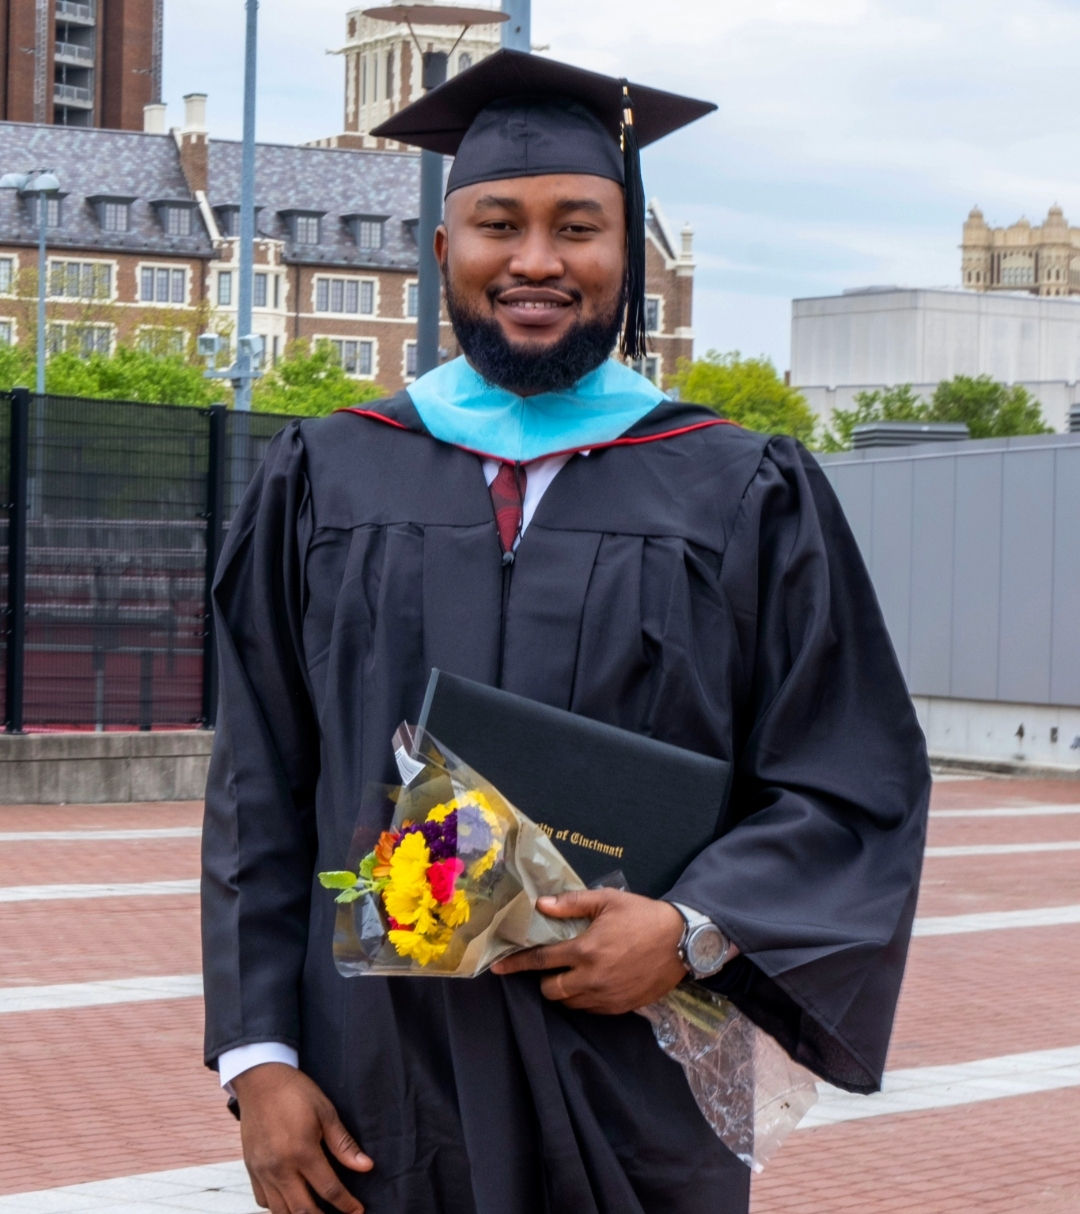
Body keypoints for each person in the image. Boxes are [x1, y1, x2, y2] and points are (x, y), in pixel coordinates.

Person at [202, 50, 929, 1214]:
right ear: (443, 250)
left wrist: (696, 930)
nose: (535, 261)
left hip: (631, 1073)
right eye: (498, 222)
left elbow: (849, 777)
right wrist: (259, 1060)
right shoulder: (325, 471)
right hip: (376, 1074)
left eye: (578, 226)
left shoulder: (741, 487)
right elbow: (261, 782)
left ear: (625, 257)